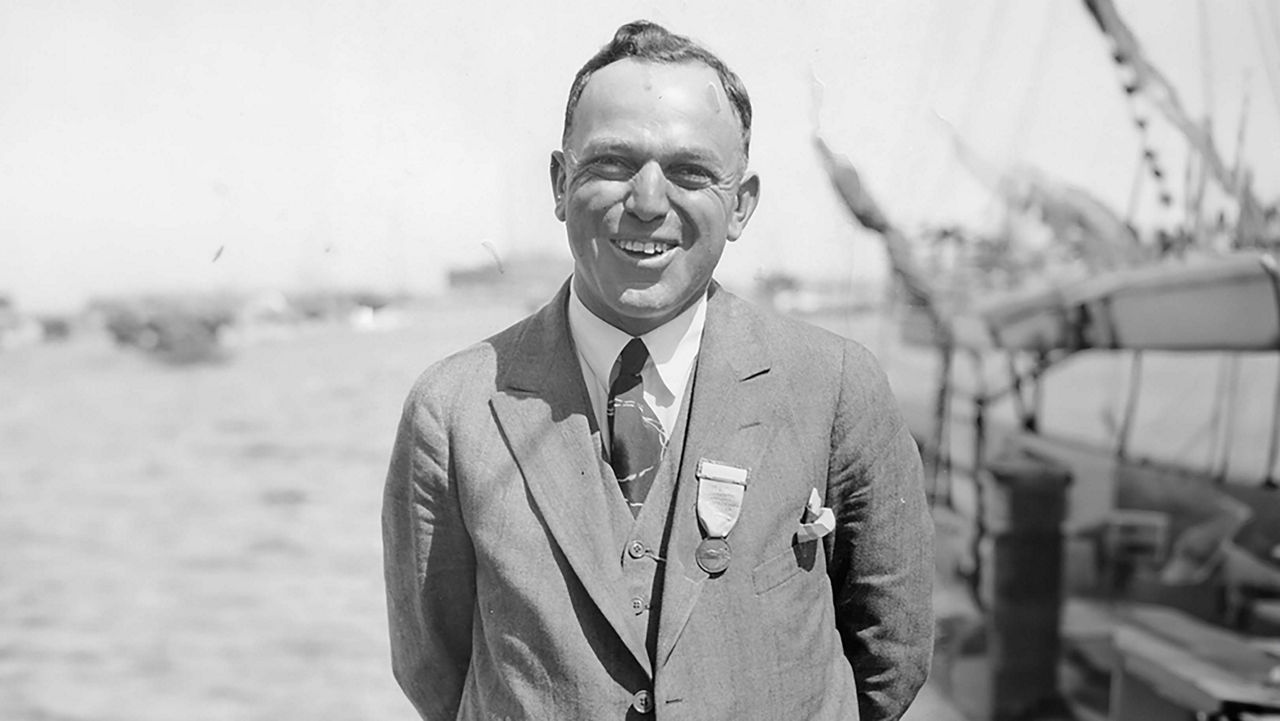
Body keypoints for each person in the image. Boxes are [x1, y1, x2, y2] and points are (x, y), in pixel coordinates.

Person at [382, 19, 933, 721]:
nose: (647, 201)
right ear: (559, 183)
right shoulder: (454, 409)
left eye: (690, 171)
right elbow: (436, 669)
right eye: (612, 163)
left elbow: (892, 654)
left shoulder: (835, 386)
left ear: (741, 204)